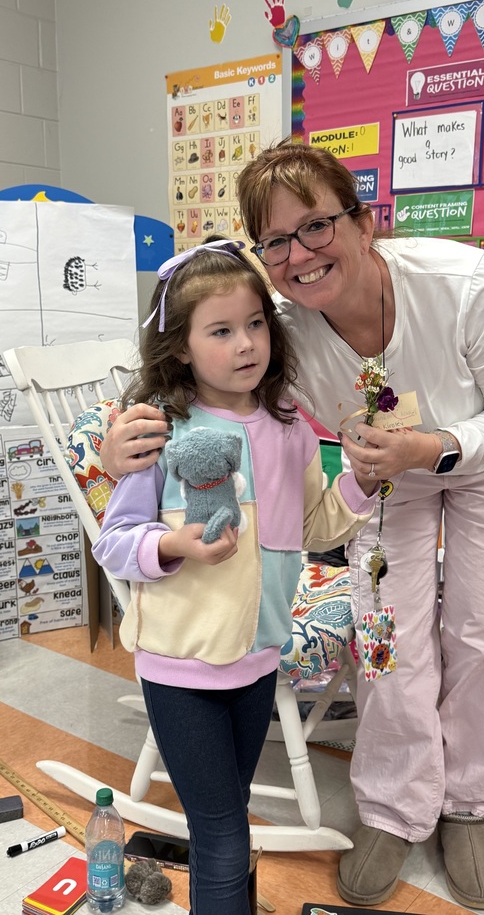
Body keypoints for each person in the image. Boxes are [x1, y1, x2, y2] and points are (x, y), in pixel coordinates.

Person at [99, 141, 484, 910]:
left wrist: (432, 447)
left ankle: (467, 804)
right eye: (275, 241)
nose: (299, 255)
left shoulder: (470, 285)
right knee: (387, 636)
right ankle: (394, 805)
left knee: (483, 636)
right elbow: (188, 374)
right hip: (382, 468)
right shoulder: (278, 324)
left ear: (364, 222)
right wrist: (120, 449)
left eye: (316, 226)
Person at [91, 236, 378, 915]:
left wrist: (364, 483)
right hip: (180, 665)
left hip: (259, 658)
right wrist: (174, 544)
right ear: (181, 347)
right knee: (222, 835)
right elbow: (115, 543)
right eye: (220, 331)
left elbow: (314, 527)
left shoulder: (290, 428)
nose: (246, 344)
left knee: (228, 814)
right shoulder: (159, 428)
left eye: (255, 324)